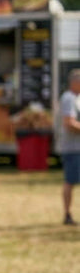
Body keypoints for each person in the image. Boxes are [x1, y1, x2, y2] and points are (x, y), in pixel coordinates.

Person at [59, 69, 80, 225]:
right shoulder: (68, 98)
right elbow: (69, 123)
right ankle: (67, 214)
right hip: (72, 148)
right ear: (74, 82)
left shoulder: (76, 98)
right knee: (70, 181)